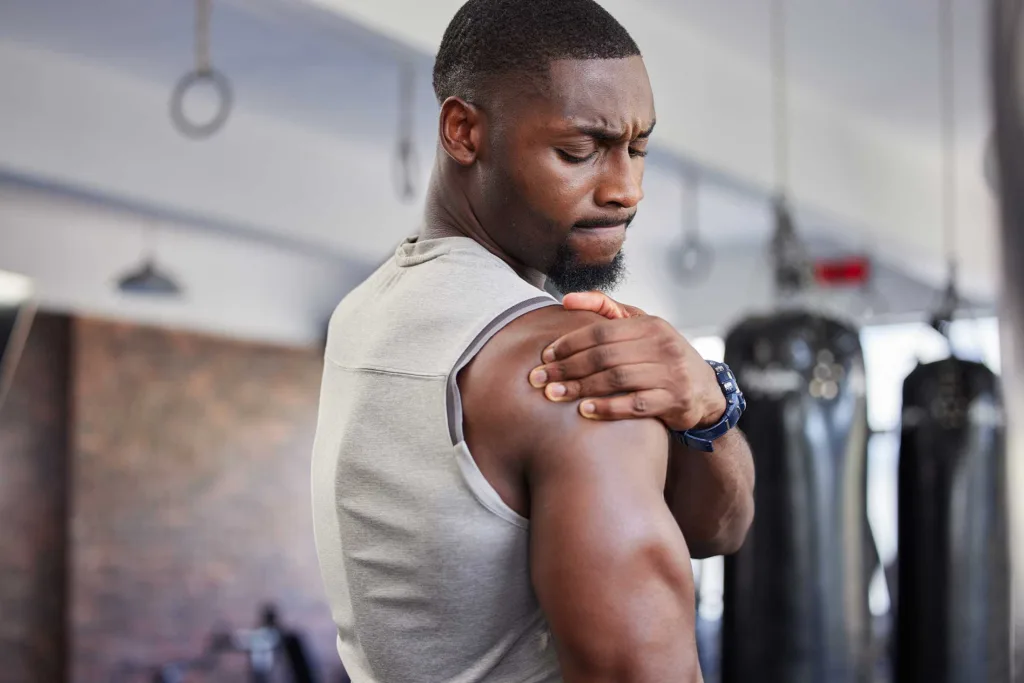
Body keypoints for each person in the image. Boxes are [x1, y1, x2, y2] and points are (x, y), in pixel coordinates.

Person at [310, 1, 755, 681]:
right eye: (580, 150)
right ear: (463, 130)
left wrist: (709, 406)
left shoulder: (361, 314)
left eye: (637, 149)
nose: (627, 190)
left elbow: (711, 530)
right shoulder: (574, 363)